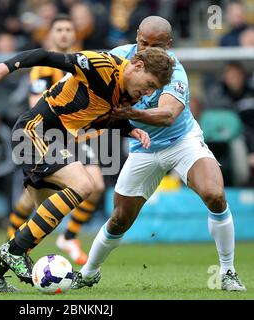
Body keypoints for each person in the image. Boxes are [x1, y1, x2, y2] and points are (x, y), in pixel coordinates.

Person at [0, 45, 174, 292]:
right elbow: (46, 56)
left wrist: (129, 129)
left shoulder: (130, 93)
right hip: (34, 130)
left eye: (154, 89)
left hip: (57, 139)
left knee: (40, 224)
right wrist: (7, 66)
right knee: (85, 184)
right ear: (138, 66)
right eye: (150, 84)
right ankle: (13, 251)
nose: (148, 92)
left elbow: (105, 114)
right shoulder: (101, 65)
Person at [73, 16, 247, 292]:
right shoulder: (118, 58)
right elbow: (82, 74)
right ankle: (88, 272)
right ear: (137, 36)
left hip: (181, 141)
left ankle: (227, 271)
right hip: (142, 148)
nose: (147, 50)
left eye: (156, 45)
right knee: (119, 218)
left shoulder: (174, 71)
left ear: (168, 45)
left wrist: (130, 113)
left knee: (214, 194)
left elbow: (168, 114)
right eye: (143, 42)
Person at [7, 14, 104, 265]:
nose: (63, 34)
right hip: (48, 134)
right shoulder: (43, 67)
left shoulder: (81, 62)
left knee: (96, 187)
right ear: (51, 34)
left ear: (75, 34)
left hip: (77, 136)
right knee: (33, 199)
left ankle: (69, 237)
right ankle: (13, 243)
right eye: (58, 29)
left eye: (68, 29)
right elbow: (34, 104)